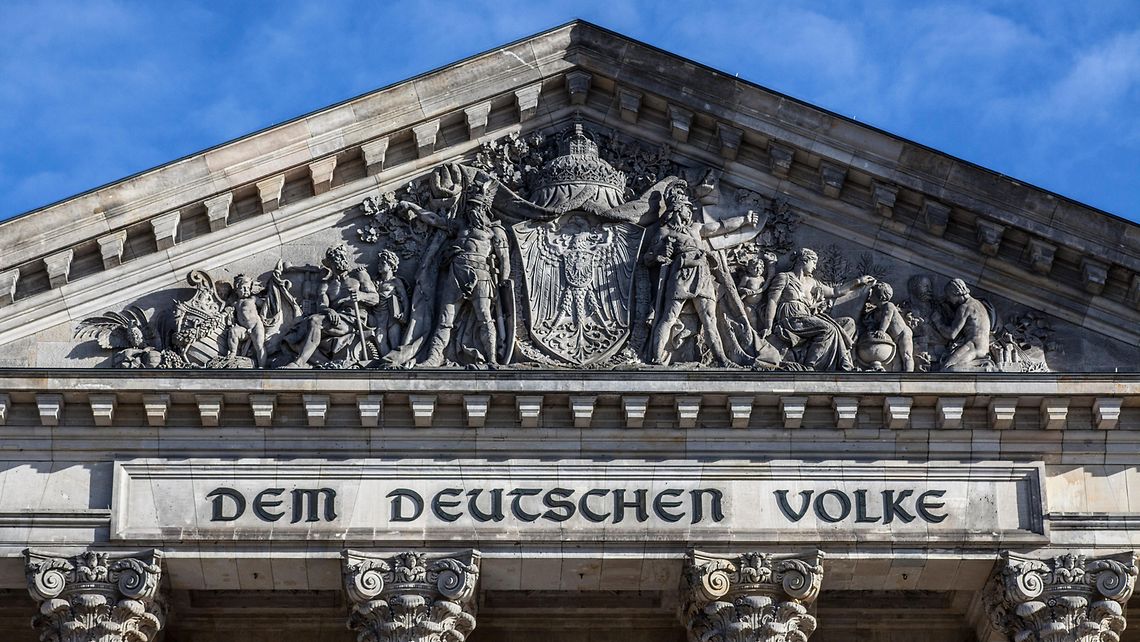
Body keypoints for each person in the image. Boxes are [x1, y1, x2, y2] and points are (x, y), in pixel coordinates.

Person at [644, 180, 758, 366]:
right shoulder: (664, 232)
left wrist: (744, 219)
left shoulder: (695, 229)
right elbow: (647, 259)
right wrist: (659, 256)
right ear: (677, 209)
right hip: (680, 275)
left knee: (710, 320)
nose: (690, 212)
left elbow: (721, 227)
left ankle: (722, 360)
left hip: (702, 274)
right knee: (668, 317)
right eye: (687, 208)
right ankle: (656, 358)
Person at [400, 180, 511, 367]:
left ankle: (492, 359)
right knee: (445, 318)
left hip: (482, 276)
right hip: (456, 273)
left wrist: (504, 280)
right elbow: (435, 220)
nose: (472, 211)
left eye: (476, 207)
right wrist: (414, 207)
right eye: (470, 207)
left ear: (484, 208)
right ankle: (433, 359)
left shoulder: (494, 231)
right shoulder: (460, 226)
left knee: (484, 317)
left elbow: (504, 258)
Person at [759, 248, 874, 371]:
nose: (814, 267)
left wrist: (858, 281)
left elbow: (836, 291)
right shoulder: (784, 277)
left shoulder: (812, 282)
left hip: (807, 317)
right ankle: (810, 365)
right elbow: (772, 301)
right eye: (813, 263)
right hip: (792, 318)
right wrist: (768, 326)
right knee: (828, 329)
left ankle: (842, 362)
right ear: (804, 260)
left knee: (847, 323)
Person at [284, 244, 379, 367]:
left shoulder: (358, 275)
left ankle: (299, 363)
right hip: (334, 318)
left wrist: (361, 295)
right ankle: (325, 364)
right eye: (335, 259)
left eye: (341, 257)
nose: (340, 261)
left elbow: (375, 298)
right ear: (329, 264)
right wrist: (328, 310)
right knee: (293, 337)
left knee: (315, 321)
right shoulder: (326, 284)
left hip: (354, 319)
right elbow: (322, 304)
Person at [935, 278, 992, 371]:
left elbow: (951, 334)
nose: (949, 300)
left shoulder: (964, 307)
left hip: (973, 346)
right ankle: (981, 366)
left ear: (955, 293)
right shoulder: (978, 304)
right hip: (984, 348)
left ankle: (986, 370)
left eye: (949, 296)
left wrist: (937, 322)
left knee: (947, 369)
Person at [857, 281, 915, 371]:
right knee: (897, 362)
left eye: (872, 295)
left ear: (880, 296)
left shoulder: (889, 306)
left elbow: (887, 318)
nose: (869, 297)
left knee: (907, 355)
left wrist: (882, 330)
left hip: (903, 334)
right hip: (893, 338)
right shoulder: (877, 311)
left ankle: (909, 376)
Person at [372, 250, 409, 359]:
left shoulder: (396, 282)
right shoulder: (376, 282)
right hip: (379, 315)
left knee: (394, 341)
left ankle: (393, 362)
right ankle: (386, 363)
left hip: (393, 316)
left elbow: (404, 299)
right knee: (379, 339)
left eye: (383, 263)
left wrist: (405, 313)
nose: (379, 266)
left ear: (391, 265)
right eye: (379, 263)